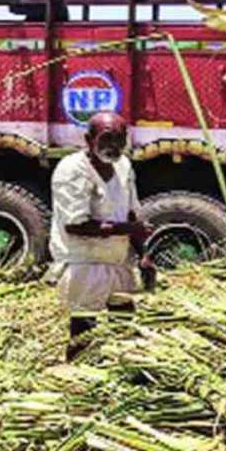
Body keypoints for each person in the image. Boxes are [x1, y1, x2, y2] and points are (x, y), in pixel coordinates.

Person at [49, 112, 155, 361]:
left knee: (124, 324)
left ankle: (121, 373)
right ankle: (76, 377)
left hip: (118, 260)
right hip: (84, 262)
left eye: (119, 140)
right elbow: (76, 225)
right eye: (106, 139)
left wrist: (144, 255)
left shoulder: (124, 165)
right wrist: (129, 231)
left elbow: (131, 214)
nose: (113, 147)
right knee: (84, 331)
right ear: (88, 139)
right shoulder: (72, 170)